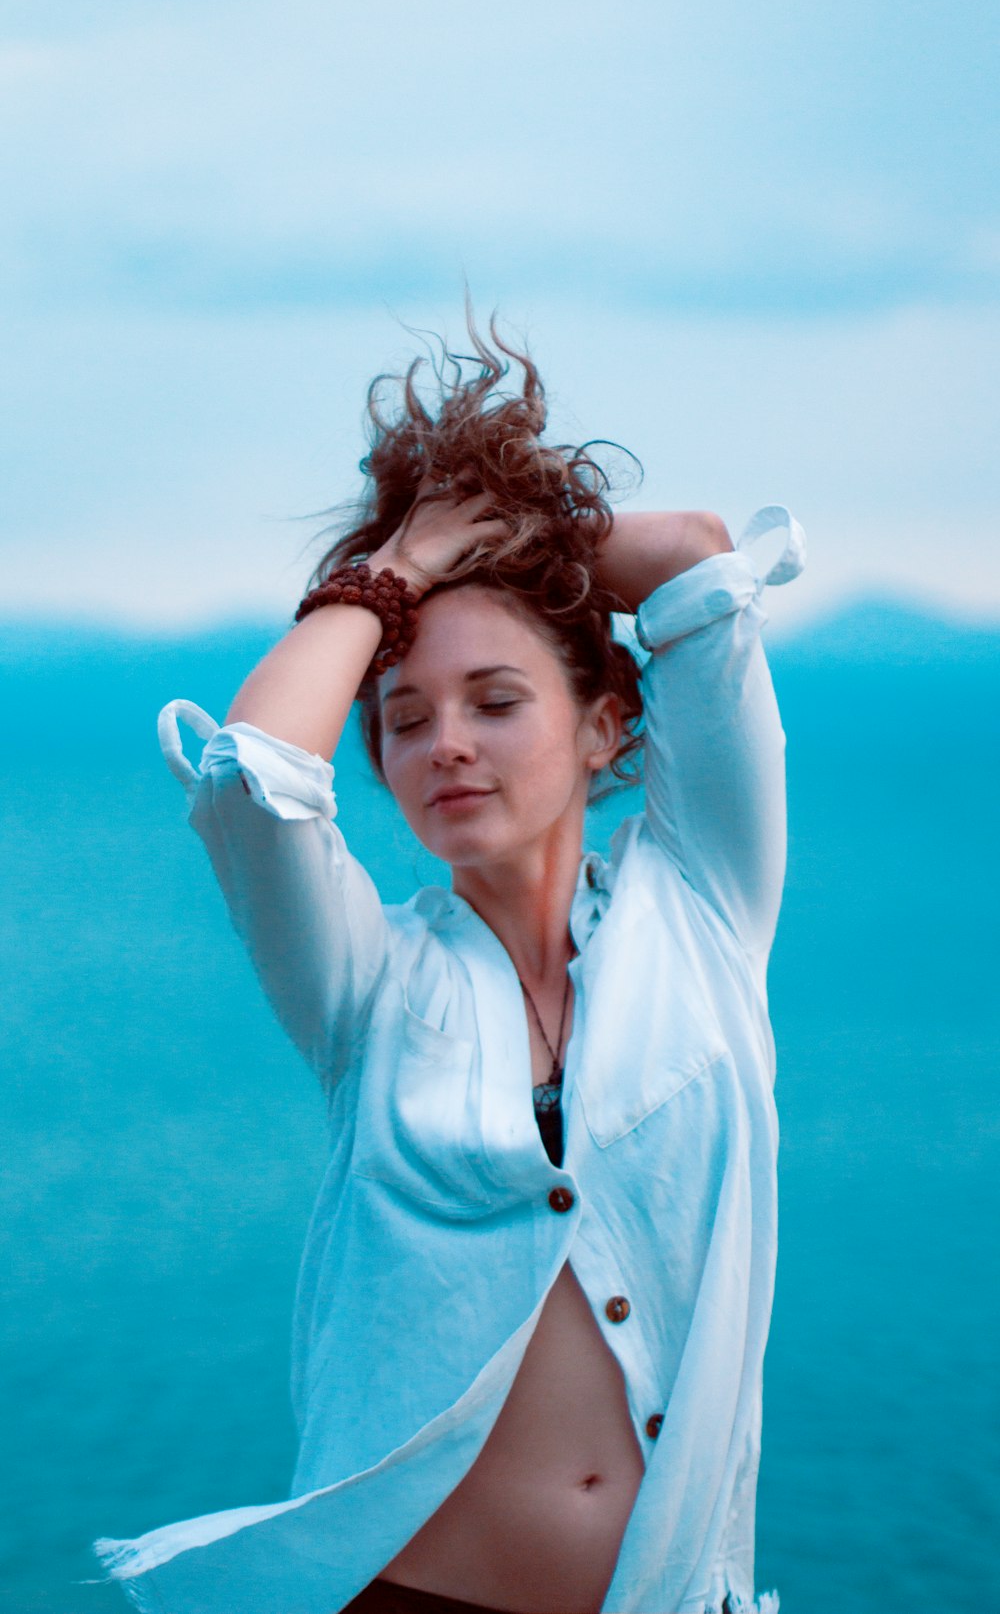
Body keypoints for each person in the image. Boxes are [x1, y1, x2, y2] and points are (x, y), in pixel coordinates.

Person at [95, 313, 805, 1614]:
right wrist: (397, 564)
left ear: (605, 722)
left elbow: (697, 561)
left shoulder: (704, 907)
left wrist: (498, 534)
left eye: (496, 698)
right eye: (405, 716)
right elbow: (254, 784)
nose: (447, 744)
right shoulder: (368, 985)